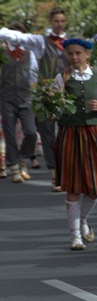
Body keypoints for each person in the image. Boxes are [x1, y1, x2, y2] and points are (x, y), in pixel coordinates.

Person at [54, 38, 97, 250]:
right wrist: (55, 104)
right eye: (70, 53)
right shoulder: (61, 78)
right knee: (73, 187)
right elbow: (54, 108)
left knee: (96, 187)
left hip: (93, 132)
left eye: (78, 53)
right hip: (70, 134)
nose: (74, 57)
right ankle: (75, 236)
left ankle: (82, 220)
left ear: (87, 55)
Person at [0, 7, 68, 191]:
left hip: (56, 94)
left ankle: (28, 158)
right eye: (56, 21)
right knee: (42, 135)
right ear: (50, 22)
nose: (59, 24)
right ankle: (49, 173)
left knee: (41, 133)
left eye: (62, 21)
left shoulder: (69, 44)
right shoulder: (39, 42)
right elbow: (19, 39)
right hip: (25, 95)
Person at [1, 21, 38, 183]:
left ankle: (23, 158)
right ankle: (14, 167)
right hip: (6, 97)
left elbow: (34, 75)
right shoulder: (2, 52)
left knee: (31, 132)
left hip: (26, 97)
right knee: (9, 134)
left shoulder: (29, 53)